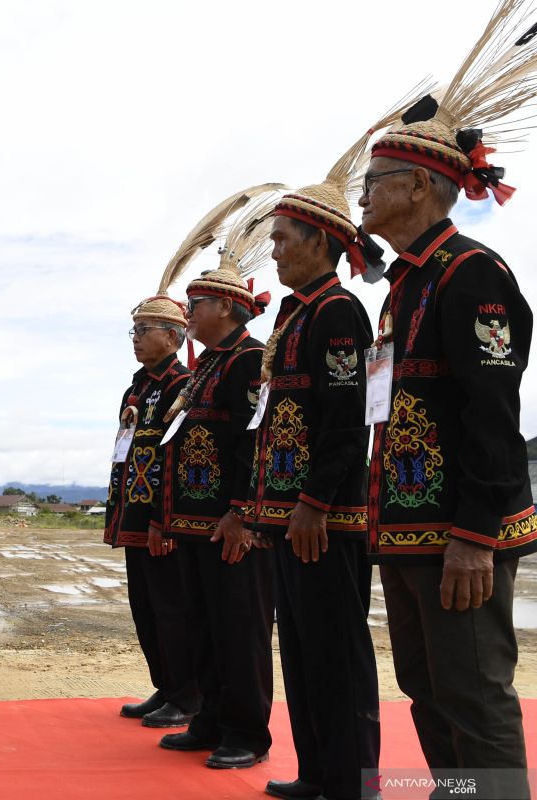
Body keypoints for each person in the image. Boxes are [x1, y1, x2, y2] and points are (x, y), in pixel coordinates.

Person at [358, 11, 537, 795]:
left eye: (374, 182)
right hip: (404, 527)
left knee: (472, 691)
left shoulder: (472, 275)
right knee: (426, 689)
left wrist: (473, 536)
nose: (361, 197)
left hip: (456, 533)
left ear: (424, 186)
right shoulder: (405, 285)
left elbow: (494, 414)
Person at [251, 130, 389, 799]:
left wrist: (315, 503)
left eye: (281, 239)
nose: (273, 251)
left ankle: (354, 782)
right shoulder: (295, 316)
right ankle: (317, 773)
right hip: (288, 515)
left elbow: (346, 419)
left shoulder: (338, 314)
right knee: (302, 654)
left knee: (336, 652)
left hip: (322, 519)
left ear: (317, 241)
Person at [109, 193, 253, 729]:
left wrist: (160, 518)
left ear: (172, 337)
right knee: (148, 609)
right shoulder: (142, 383)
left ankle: (186, 693)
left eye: (144, 330)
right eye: (134, 331)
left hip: (168, 515)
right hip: (140, 512)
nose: (136, 339)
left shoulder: (181, 382)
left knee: (176, 610)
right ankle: (167, 685)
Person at [154, 186, 278, 770]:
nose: (189, 314)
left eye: (196, 304)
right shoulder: (206, 369)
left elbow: (256, 439)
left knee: (239, 630)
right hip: (196, 523)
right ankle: (209, 718)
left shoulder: (250, 362)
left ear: (227, 308)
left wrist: (240, 511)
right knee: (204, 625)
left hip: (230, 523)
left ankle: (247, 732)